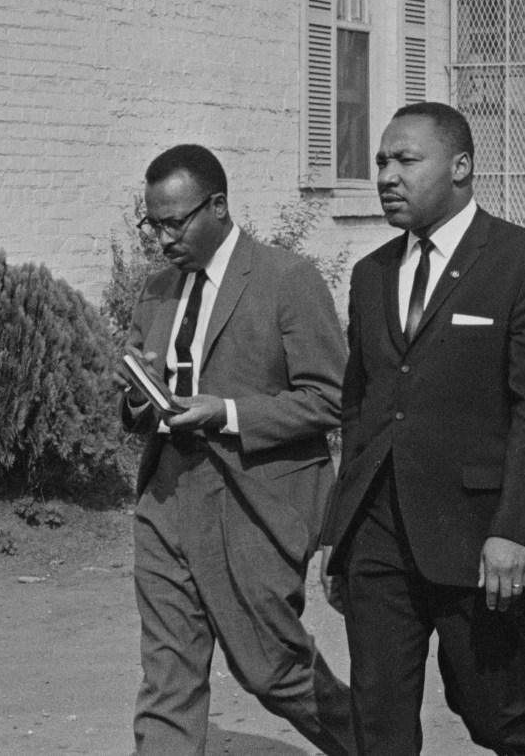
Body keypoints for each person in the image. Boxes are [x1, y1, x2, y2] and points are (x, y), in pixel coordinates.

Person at [319, 102, 525, 756]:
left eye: (407, 159)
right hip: (377, 533)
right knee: (376, 723)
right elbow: (360, 406)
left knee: (496, 713)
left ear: (460, 166)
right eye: (381, 160)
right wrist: (339, 531)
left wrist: (514, 528)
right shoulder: (371, 273)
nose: (386, 174)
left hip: (474, 535)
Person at [118, 144, 355, 756]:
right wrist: (143, 394)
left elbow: (330, 398)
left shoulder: (286, 278)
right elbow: (141, 409)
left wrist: (224, 411)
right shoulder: (156, 289)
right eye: (153, 223)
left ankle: (378, 744)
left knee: (270, 668)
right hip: (167, 496)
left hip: (255, 497)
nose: (162, 237)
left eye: (175, 222)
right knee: (168, 677)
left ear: (218, 206)